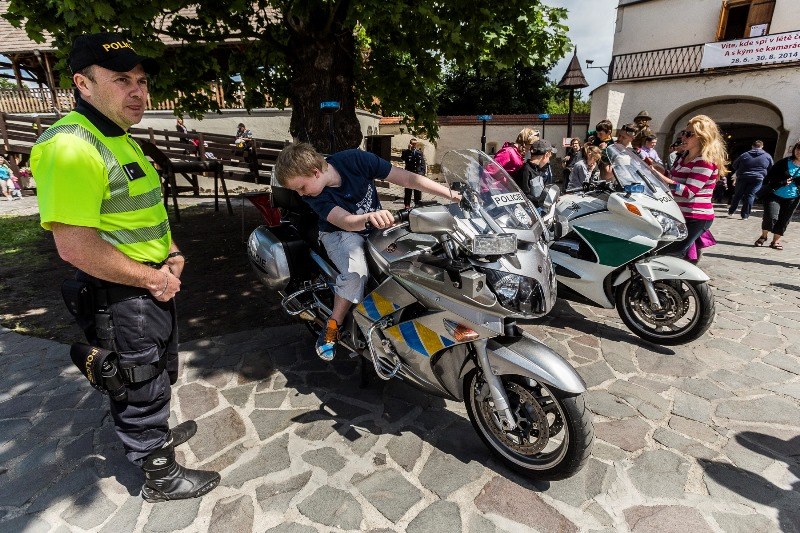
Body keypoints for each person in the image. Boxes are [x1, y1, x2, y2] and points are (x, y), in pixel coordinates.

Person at [29, 32, 219, 503]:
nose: (138, 91)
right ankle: (159, 474)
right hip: (122, 293)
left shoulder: (117, 137)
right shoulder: (71, 145)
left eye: (141, 80)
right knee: (137, 382)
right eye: (121, 80)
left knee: (156, 369)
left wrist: (171, 252)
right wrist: (154, 278)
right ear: (83, 84)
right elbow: (75, 247)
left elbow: (138, 211)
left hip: (147, 283)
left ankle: (157, 439)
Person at [274, 143, 457, 361]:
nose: (300, 194)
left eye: (301, 187)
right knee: (356, 274)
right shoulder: (314, 197)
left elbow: (408, 178)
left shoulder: (355, 160)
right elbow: (345, 221)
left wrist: (452, 194)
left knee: (418, 254)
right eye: (297, 191)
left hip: (376, 227)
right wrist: (369, 217)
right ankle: (333, 326)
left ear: (315, 172)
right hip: (339, 233)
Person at [649, 115, 727, 260]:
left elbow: (688, 192)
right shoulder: (684, 156)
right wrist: (659, 169)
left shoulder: (705, 162)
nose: (683, 137)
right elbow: (673, 179)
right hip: (680, 214)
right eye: (684, 133)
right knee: (660, 250)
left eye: (689, 134)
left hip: (695, 217)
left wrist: (658, 175)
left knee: (669, 254)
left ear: (703, 137)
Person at [754, 140, 800, 250]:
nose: (799, 152)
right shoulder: (783, 162)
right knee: (770, 216)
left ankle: (775, 241)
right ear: (795, 149)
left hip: (793, 198)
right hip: (775, 194)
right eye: (798, 148)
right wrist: (781, 182)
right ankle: (764, 236)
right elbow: (769, 177)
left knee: (784, 220)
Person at [729, 140, 773, 219]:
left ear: (752, 146)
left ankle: (731, 211)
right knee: (750, 195)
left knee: (738, 194)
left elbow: (735, 165)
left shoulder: (745, 155)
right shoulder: (767, 156)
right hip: (758, 178)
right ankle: (745, 215)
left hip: (743, 177)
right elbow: (771, 168)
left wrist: (740, 169)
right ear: (762, 146)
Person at [521, 140, 554, 205]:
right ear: (546, 155)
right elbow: (524, 195)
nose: (548, 161)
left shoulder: (540, 168)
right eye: (549, 157)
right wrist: (542, 200)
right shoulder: (526, 170)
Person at [400, 138, 426, 208]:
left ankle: (417, 205)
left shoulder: (419, 152)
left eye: (415, 144)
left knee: (418, 191)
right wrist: (409, 150)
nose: (414, 145)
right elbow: (402, 158)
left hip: (417, 174)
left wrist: (422, 173)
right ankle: (407, 205)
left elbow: (423, 164)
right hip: (408, 174)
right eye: (413, 144)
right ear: (410, 144)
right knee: (408, 191)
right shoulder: (406, 152)